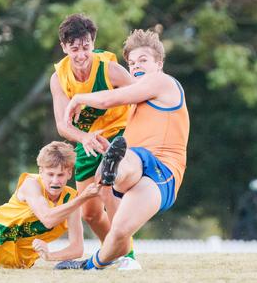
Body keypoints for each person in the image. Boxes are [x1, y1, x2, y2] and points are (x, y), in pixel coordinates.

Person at [56, 29, 189, 270]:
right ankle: (91, 266)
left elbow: (110, 99)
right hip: (138, 169)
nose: (136, 66)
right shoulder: (138, 103)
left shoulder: (161, 81)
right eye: (131, 62)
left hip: (163, 170)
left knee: (130, 160)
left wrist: (78, 99)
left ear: (159, 63)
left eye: (143, 60)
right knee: (118, 231)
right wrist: (109, 149)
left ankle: (114, 169)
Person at [49, 14, 133, 243]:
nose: (81, 54)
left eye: (86, 47)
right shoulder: (59, 79)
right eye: (74, 48)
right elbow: (62, 125)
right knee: (90, 213)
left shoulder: (111, 70)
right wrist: (84, 137)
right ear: (64, 47)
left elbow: (140, 97)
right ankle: (115, 253)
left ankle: (129, 255)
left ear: (93, 44)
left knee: (106, 184)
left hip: (119, 134)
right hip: (88, 141)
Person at [0, 141, 101, 268]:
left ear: (69, 173)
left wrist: (50, 256)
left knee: (15, 268)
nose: (55, 181)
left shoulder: (71, 198)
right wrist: (83, 198)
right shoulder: (31, 184)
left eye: (60, 175)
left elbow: (77, 249)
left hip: (23, 247)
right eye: (50, 174)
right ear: (41, 172)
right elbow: (48, 220)